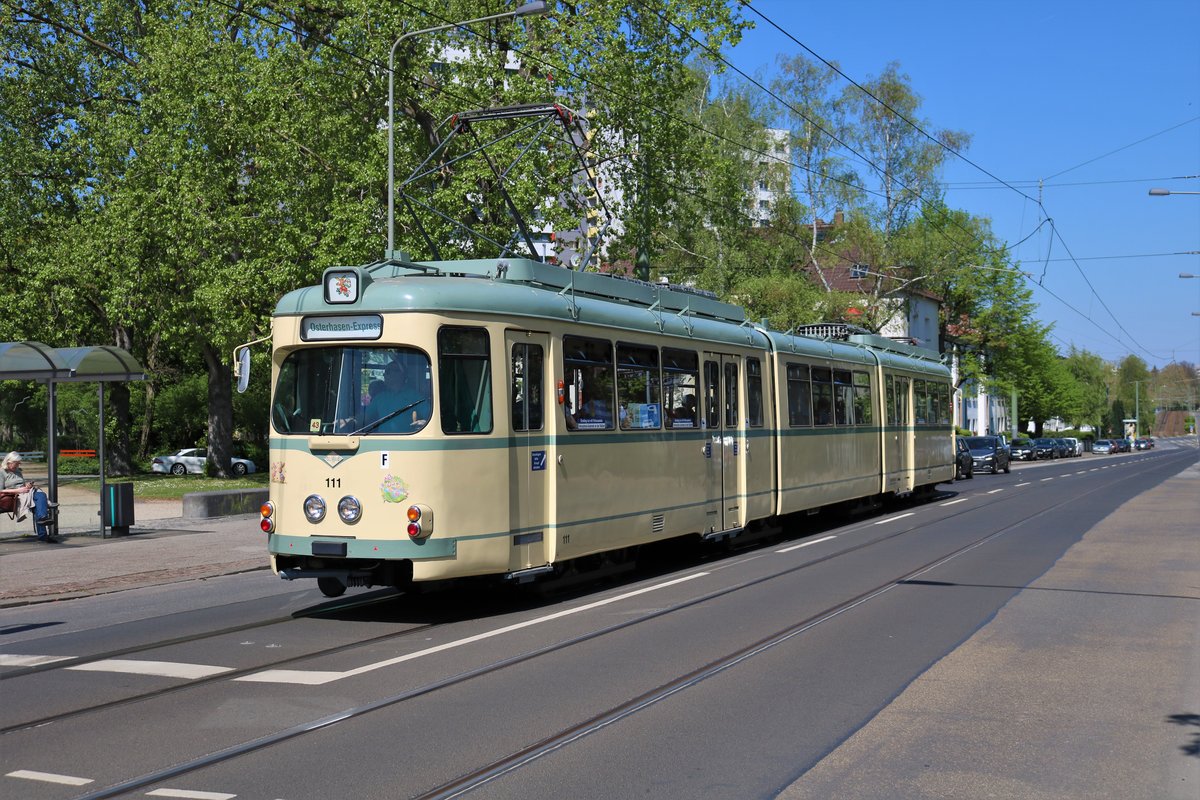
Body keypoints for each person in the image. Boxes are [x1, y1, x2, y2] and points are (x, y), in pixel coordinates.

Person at [2, 452, 58, 542]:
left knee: (41, 495)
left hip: (25, 492)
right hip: (15, 496)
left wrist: (27, 485)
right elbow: (1, 490)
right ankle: (43, 531)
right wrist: (18, 490)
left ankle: (42, 518)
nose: (18, 465)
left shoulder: (18, 471)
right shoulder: (2, 472)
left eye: (19, 463)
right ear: (9, 462)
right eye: (17, 463)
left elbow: (21, 484)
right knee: (37, 505)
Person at [367, 359, 431, 433]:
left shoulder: (414, 396)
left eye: (387, 372)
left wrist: (424, 423)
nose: (384, 375)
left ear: (399, 374)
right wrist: (354, 420)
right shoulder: (380, 397)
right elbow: (365, 417)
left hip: (405, 441)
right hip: (382, 441)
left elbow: (430, 417)